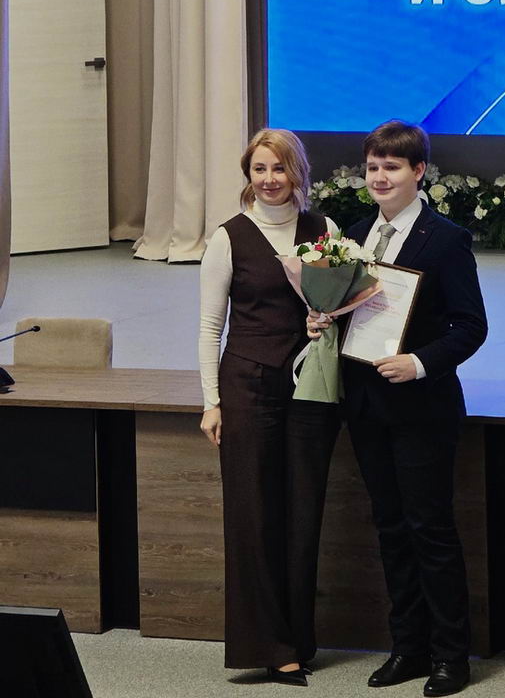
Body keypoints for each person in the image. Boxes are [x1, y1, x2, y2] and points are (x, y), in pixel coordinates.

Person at [307, 121, 487, 697]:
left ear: (418, 172)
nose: (380, 177)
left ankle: (451, 655)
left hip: (421, 406)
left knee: (429, 529)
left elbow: (470, 326)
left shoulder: (446, 239)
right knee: (389, 527)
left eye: (392, 167)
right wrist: (321, 319)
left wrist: (420, 362)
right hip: (365, 403)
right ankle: (407, 647)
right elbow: (350, 312)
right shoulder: (355, 235)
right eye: (372, 167)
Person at [200, 128, 340, 686]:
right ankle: (268, 646)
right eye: (259, 169)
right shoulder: (228, 238)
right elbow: (210, 328)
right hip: (248, 385)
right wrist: (211, 401)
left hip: (309, 385)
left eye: (279, 168)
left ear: (297, 172)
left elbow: (344, 305)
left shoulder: (324, 231)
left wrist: (325, 319)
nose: (269, 179)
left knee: (304, 513)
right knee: (253, 515)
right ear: (248, 175)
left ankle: (299, 641)